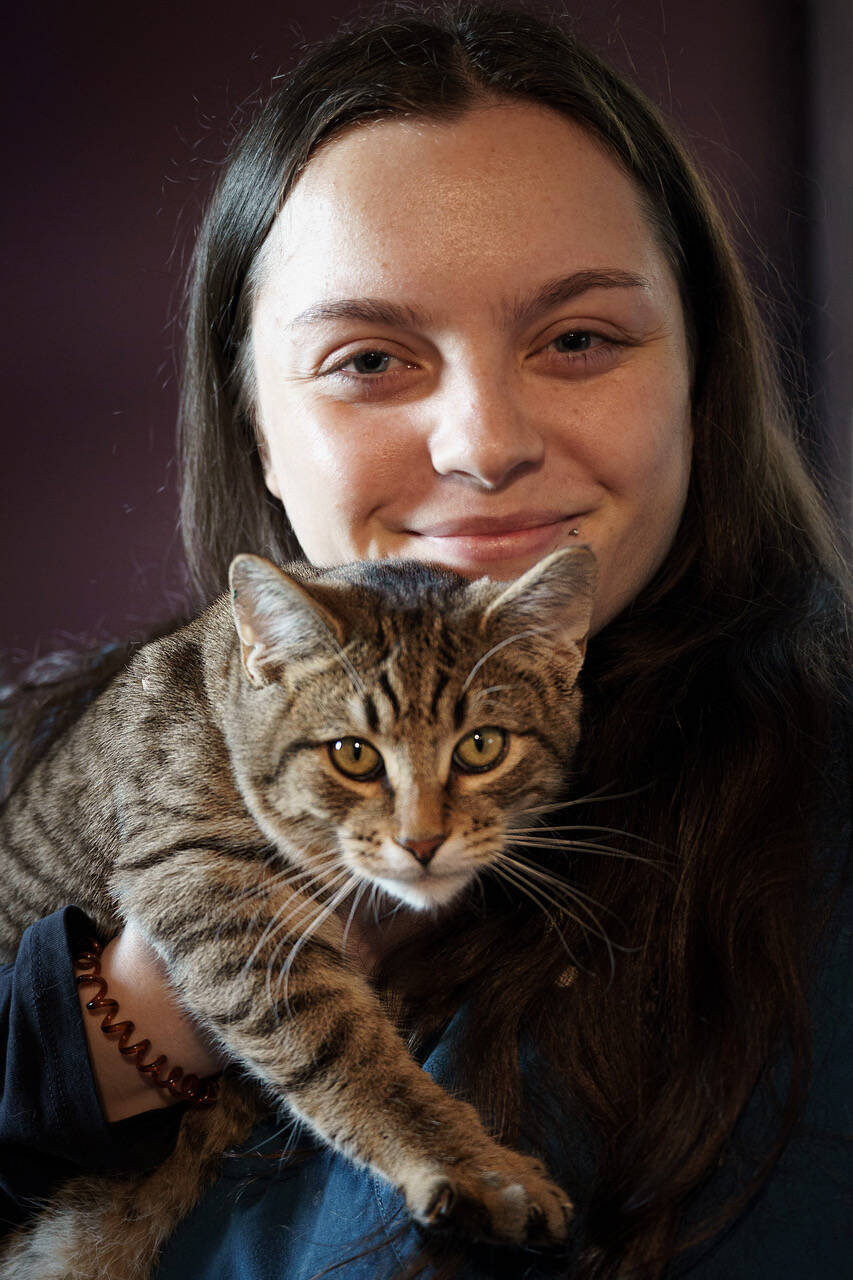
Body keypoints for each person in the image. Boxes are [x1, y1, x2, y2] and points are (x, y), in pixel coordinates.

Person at [1, 2, 851, 1276]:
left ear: (701, 373)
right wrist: (97, 1039)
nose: (482, 444)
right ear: (254, 421)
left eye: (577, 338)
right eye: (368, 358)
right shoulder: (41, 733)